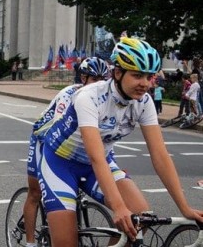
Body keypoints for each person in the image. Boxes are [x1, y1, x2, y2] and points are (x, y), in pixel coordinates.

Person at [38, 37, 203, 246]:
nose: (144, 83)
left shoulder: (144, 102)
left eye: (149, 76)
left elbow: (160, 155)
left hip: (98, 164)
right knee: (65, 242)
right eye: (137, 75)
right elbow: (95, 156)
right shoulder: (88, 96)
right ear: (117, 73)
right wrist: (117, 207)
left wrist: (184, 207)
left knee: (139, 217)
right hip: (60, 164)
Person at [23, 57, 109, 247]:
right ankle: (29, 242)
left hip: (73, 147)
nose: (101, 84)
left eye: (104, 79)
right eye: (96, 79)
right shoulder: (68, 94)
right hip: (44, 139)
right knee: (35, 192)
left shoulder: (103, 99)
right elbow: (57, 133)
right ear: (84, 78)